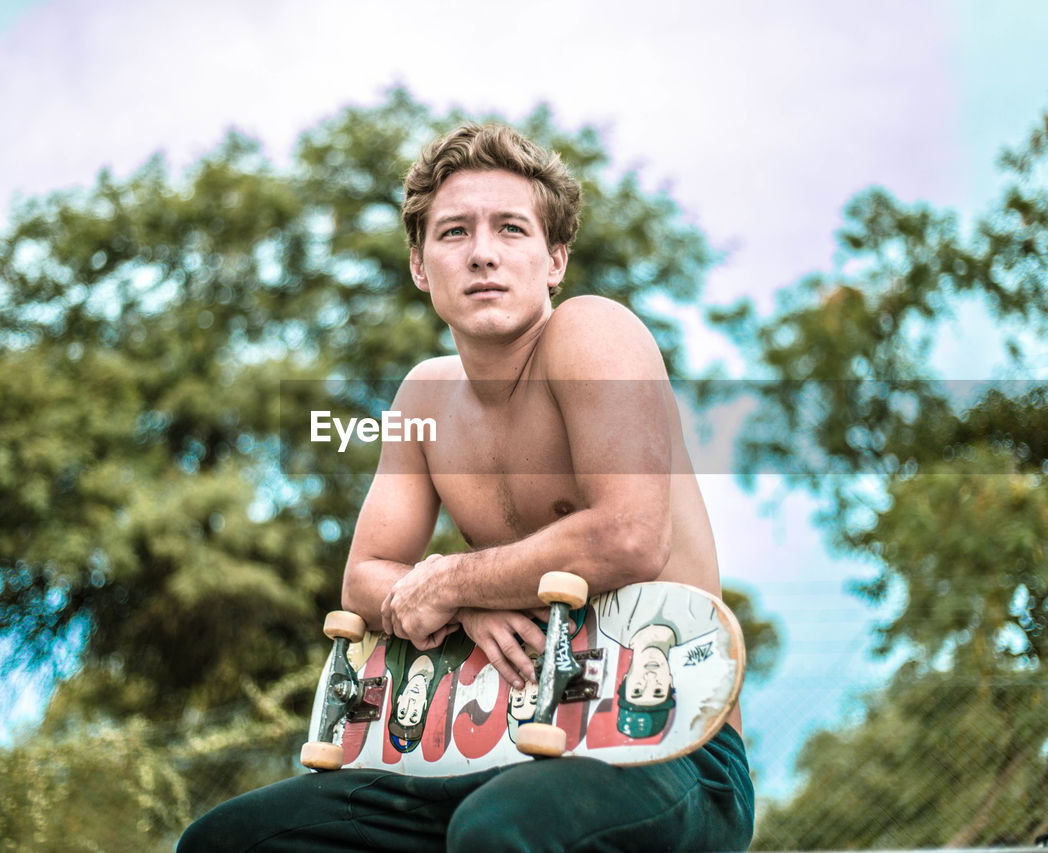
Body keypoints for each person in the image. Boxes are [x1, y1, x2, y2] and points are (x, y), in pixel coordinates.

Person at [178, 123, 754, 852]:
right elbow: (363, 577)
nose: (482, 251)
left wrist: (454, 582)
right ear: (420, 266)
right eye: (454, 232)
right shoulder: (422, 399)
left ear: (554, 259)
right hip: (493, 750)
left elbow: (629, 536)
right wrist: (466, 595)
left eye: (511, 229)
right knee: (230, 841)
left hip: (668, 745)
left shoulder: (593, 332)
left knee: (498, 831)